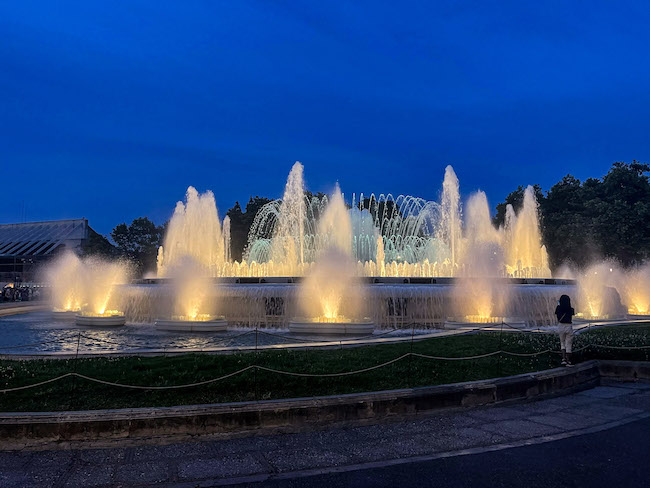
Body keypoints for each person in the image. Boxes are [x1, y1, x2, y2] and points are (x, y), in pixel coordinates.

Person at [555, 294, 575, 366]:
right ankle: (568, 361)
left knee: (562, 343)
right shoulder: (571, 309)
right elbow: (572, 315)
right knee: (568, 344)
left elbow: (557, 315)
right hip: (568, 326)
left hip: (561, 326)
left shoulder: (558, 308)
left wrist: (559, 305)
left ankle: (563, 359)